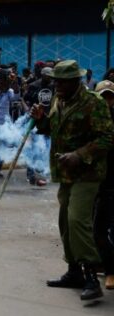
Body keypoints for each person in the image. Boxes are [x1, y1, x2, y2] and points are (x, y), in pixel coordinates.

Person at [30, 60, 114, 301]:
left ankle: (90, 276)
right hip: (65, 172)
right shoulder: (59, 100)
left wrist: (79, 155)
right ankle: (74, 271)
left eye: (60, 80)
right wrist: (41, 120)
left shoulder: (93, 103)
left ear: (74, 81)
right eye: (55, 80)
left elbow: (108, 137)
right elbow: (54, 130)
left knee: (78, 220)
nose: (55, 84)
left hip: (88, 173)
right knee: (65, 222)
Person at [93, 80, 114, 290]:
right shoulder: (93, 118)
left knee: (102, 229)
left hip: (110, 182)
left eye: (110, 96)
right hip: (94, 180)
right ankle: (100, 263)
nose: (106, 100)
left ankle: (111, 270)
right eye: (103, 96)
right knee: (93, 227)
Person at [22, 66, 54, 186]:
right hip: (36, 120)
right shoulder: (34, 85)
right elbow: (24, 99)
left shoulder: (53, 86)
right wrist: (28, 111)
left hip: (48, 120)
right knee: (35, 148)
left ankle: (41, 174)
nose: (50, 78)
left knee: (46, 149)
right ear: (42, 75)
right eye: (48, 76)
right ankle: (32, 176)